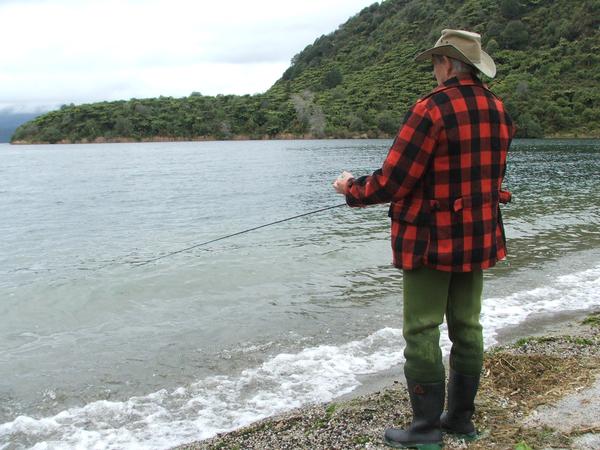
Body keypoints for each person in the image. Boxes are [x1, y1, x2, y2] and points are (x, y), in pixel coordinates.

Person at [333, 29, 514, 449]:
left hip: (431, 241)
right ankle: (461, 421)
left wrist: (350, 189)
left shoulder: (431, 109)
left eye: (435, 63)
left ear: (449, 64)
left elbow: (393, 180)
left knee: (421, 330)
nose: (433, 71)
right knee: (468, 325)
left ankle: (426, 431)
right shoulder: (498, 109)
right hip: (479, 234)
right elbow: (488, 177)